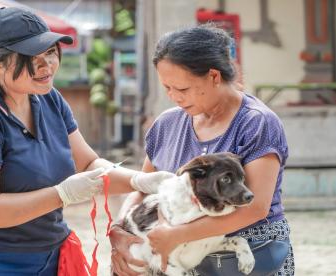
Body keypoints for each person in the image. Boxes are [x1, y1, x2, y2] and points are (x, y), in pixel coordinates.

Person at [0, 6, 175, 276]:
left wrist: (138, 181)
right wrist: (61, 195)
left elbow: (88, 164)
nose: (46, 65)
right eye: (31, 58)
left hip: (47, 252)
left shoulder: (48, 99)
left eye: (49, 53)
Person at [109, 24, 294, 275]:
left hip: (250, 254)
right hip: (177, 258)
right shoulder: (167, 124)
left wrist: (177, 235)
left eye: (182, 89)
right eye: (167, 88)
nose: (174, 96)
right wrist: (119, 232)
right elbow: (143, 188)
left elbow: (256, 207)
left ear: (214, 77)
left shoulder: (257, 122)